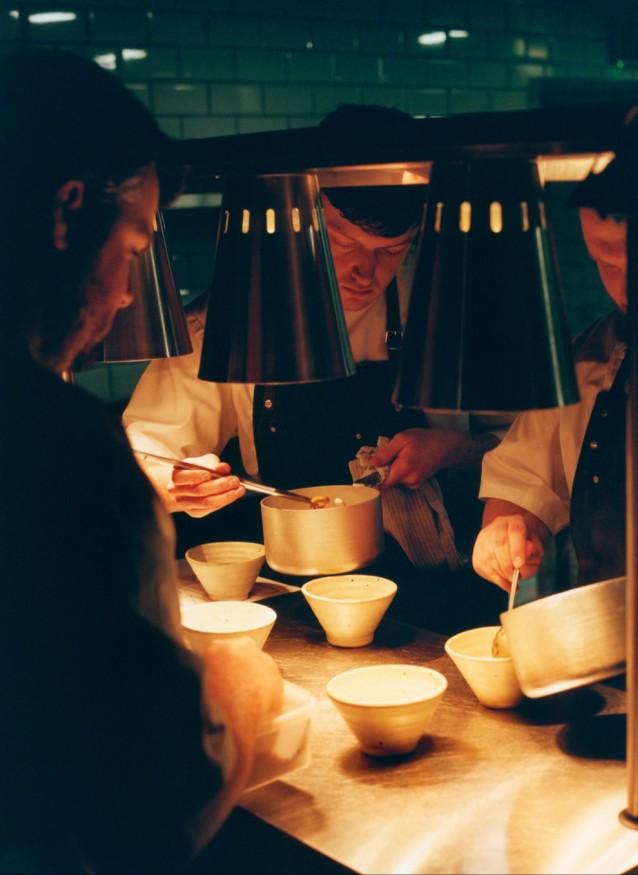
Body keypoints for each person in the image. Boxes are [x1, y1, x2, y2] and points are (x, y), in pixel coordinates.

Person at [0, 47, 284, 874]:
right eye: (133, 246)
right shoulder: (63, 448)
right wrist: (237, 687)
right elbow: (161, 810)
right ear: (67, 213)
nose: (128, 293)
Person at [123, 104, 511, 633]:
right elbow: (144, 459)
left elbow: (525, 453)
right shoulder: (234, 319)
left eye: (391, 251)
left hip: (439, 600)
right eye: (344, 241)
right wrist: (177, 484)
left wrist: (452, 448)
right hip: (290, 601)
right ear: (302, 213)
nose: (363, 271)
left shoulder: (445, 305)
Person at [472, 197, 638, 679]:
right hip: (614, 683)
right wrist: (505, 532)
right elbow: (520, 480)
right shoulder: (587, 360)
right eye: (607, 262)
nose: (629, 287)